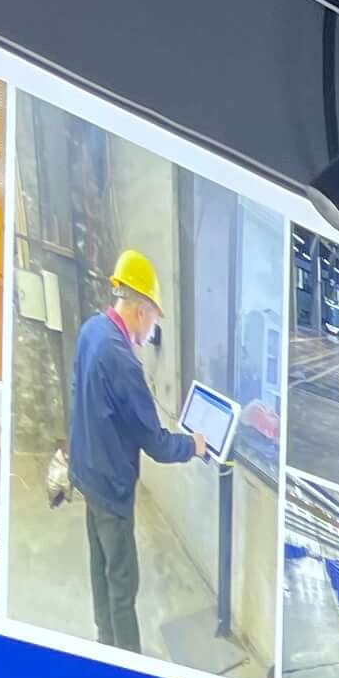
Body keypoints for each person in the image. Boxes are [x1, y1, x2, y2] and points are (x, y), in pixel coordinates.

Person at [70, 248, 200, 651]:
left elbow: (79, 392)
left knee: (100, 567)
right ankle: (126, 661)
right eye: (154, 319)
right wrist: (193, 445)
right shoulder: (123, 362)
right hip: (111, 488)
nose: (152, 331)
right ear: (141, 311)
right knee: (123, 584)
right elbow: (155, 442)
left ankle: (104, 641)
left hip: (87, 474)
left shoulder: (92, 329)